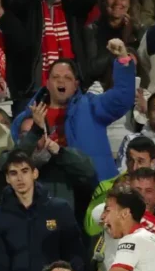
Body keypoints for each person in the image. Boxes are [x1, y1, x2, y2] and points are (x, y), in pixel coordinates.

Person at [11, 39, 136, 183]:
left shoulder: (91, 106)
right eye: (56, 77)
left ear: (76, 85)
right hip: (48, 187)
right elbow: (18, 158)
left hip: (91, 186)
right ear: (47, 83)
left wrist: (122, 59)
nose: (61, 81)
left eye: (67, 78)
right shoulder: (28, 117)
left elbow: (122, 98)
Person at [0, 150, 85, 271]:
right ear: (7, 178)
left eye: (25, 171)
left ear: (35, 173)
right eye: (13, 173)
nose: (20, 178)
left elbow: (75, 253)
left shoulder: (59, 209)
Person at [7, 0, 97, 97]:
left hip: (73, 89)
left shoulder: (70, 1)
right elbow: (17, 3)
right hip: (34, 90)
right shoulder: (30, 4)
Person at [81, 0, 143, 87]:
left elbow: (141, 71)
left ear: (130, 2)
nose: (117, 2)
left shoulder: (139, 31)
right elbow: (92, 69)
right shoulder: (92, 30)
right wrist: (123, 41)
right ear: (104, 1)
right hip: (100, 90)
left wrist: (129, 36)